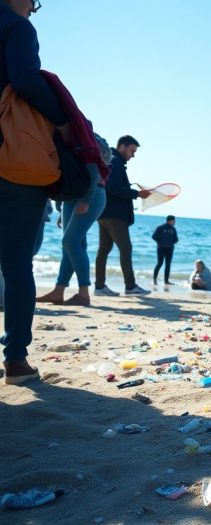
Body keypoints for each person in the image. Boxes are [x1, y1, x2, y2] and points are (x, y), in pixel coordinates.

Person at [1, 0, 70, 384]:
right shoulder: (15, 26)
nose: (34, 8)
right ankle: (15, 360)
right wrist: (61, 120)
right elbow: (25, 78)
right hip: (12, 161)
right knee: (15, 263)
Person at [36, 135, 112, 307]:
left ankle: (83, 294)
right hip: (70, 197)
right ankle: (58, 291)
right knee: (71, 247)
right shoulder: (63, 140)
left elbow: (93, 173)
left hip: (90, 196)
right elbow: (63, 174)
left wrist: (85, 200)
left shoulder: (82, 140)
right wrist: (59, 208)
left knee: (70, 243)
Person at [94, 135, 151, 296]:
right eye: (132, 151)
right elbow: (112, 188)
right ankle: (130, 286)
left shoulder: (112, 161)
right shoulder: (115, 162)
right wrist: (137, 193)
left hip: (103, 212)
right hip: (114, 214)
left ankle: (99, 287)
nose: (133, 155)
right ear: (122, 147)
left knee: (104, 249)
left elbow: (110, 187)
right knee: (126, 248)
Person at [152, 215, 178, 285]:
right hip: (161, 248)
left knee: (168, 265)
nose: (175, 222)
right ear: (170, 221)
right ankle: (154, 279)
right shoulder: (160, 227)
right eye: (174, 220)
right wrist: (160, 242)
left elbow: (176, 240)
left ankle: (166, 281)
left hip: (170, 249)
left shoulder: (173, 229)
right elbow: (154, 236)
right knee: (160, 263)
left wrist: (171, 242)